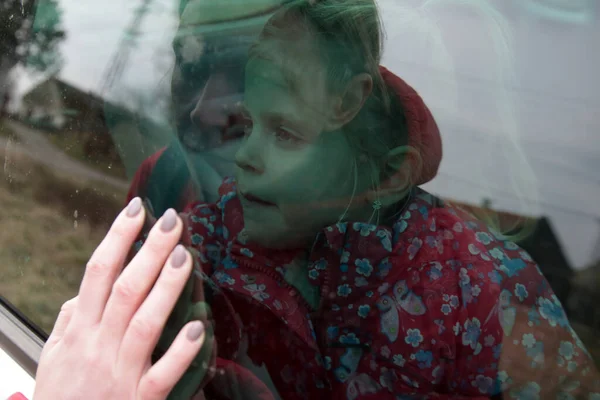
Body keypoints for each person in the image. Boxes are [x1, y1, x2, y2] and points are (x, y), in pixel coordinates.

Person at [31, 0, 600, 399]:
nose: (211, 113)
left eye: (283, 129)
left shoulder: (481, 282)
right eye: (189, 58)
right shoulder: (195, 221)